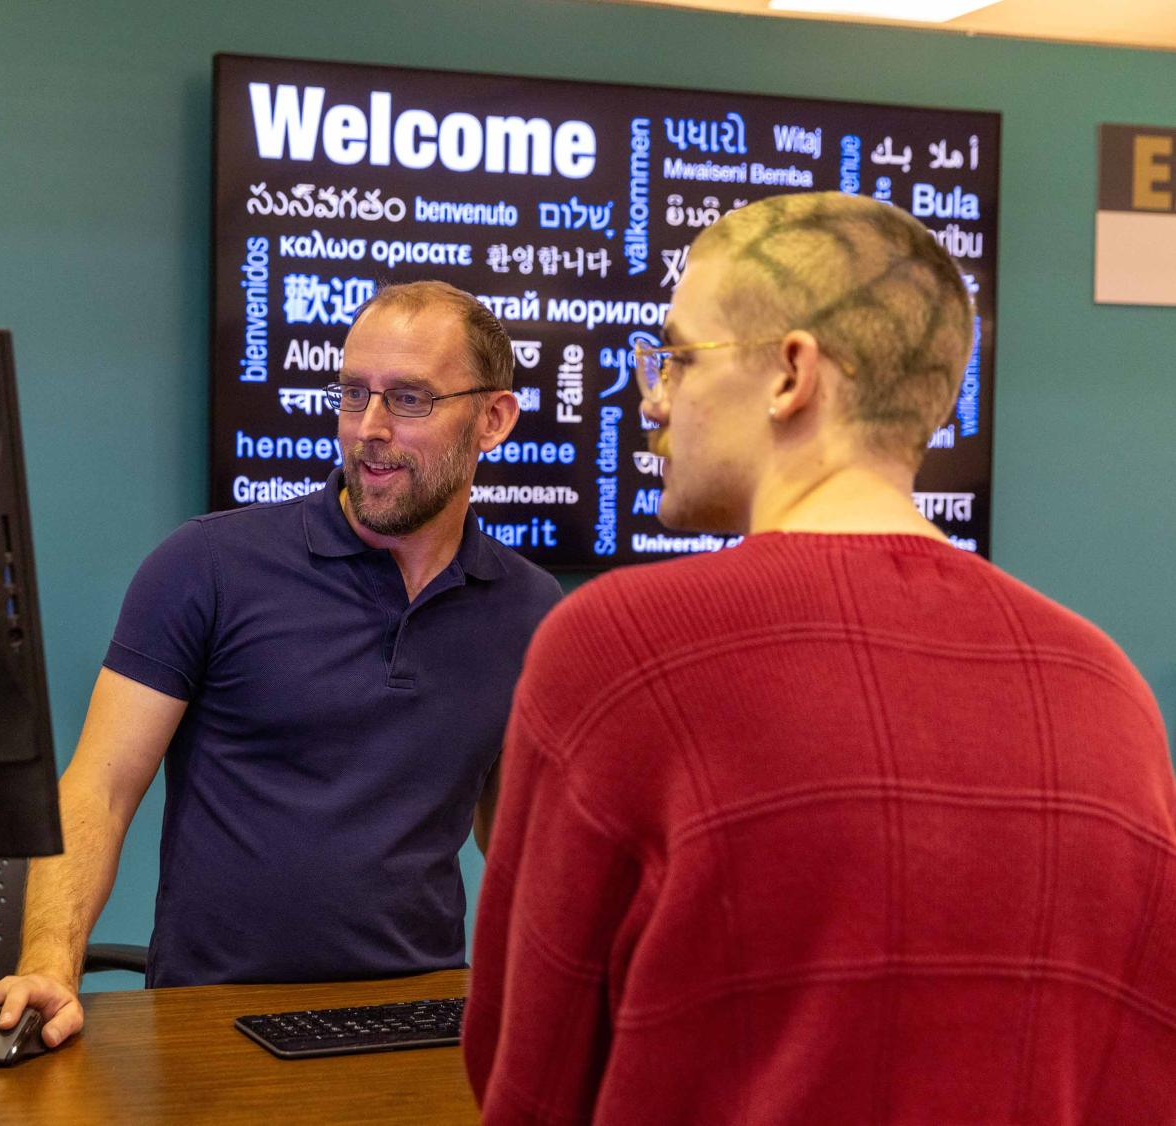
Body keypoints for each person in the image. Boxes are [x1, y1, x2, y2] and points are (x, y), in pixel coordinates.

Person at [464, 192, 1176, 1123]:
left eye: (678, 356)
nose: (652, 396)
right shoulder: (1105, 686)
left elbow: (528, 1080)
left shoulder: (619, 649)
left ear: (791, 374)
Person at [0, 280, 560, 1054]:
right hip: (216, 1019)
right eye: (351, 394)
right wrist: (49, 967)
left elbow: (516, 838)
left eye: (408, 399)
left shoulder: (530, 609)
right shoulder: (205, 566)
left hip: (422, 1019)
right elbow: (99, 787)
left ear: (492, 419)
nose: (368, 429)